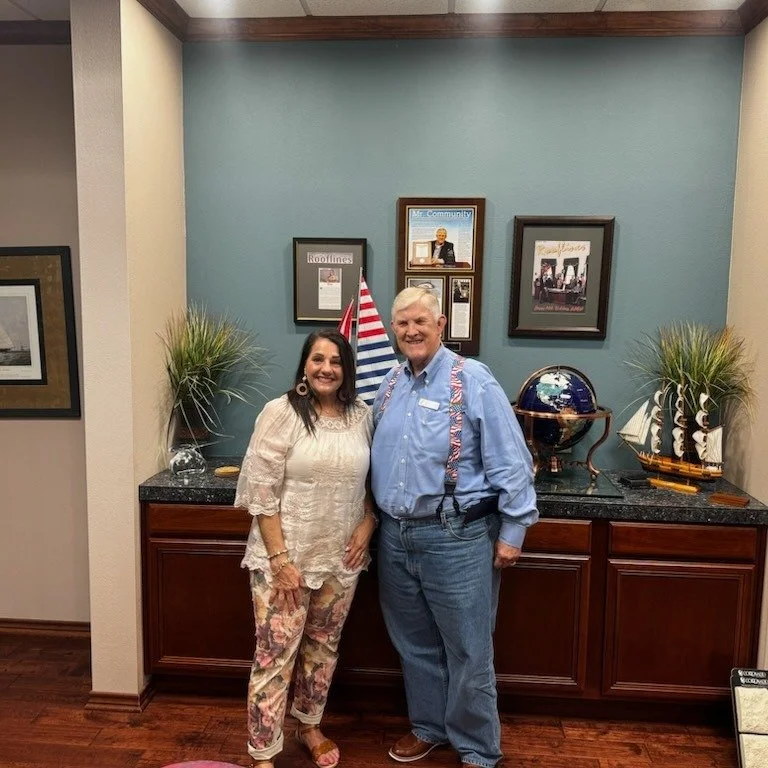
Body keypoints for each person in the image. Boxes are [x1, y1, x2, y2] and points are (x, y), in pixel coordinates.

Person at [370, 287, 538, 768]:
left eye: (420, 321)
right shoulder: (389, 384)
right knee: (414, 643)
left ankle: (478, 749)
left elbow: (512, 461)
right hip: (395, 537)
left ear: (441, 324)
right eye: (402, 323)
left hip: (456, 536)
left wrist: (513, 532)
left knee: (468, 648)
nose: (411, 331)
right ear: (393, 328)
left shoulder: (473, 380)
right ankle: (429, 727)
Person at [235, 329, 376, 768]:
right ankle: (262, 753)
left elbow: (375, 484)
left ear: (346, 369)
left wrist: (368, 523)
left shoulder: (363, 416)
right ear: (304, 365)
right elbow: (261, 491)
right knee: (275, 655)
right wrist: (279, 562)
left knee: (323, 648)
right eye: (318, 359)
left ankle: (309, 725)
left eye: (335, 361)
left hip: (341, 560)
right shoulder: (280, 413)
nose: (326, 368)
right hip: (286, 560)